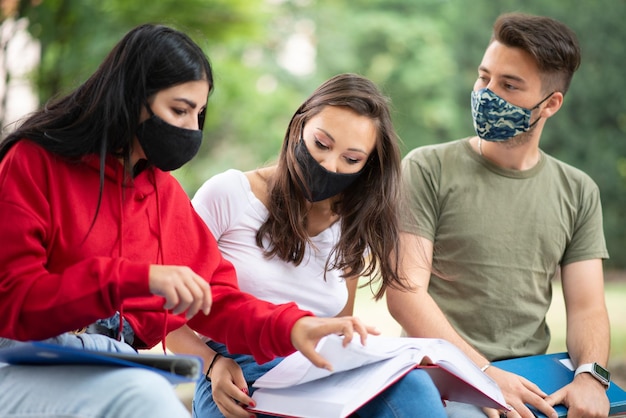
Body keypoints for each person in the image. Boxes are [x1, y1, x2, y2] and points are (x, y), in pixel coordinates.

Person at [0, 24, 375, 418]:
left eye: (199, 113)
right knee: (143, 394)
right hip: (19, 358)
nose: (192, 129)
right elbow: (13, 302)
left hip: (104, 359)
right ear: (132, 97)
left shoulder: (163, 195)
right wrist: (132, 278)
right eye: (179, 110)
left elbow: (217, 300)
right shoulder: (32, 163)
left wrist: (293, 328)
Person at [166, 73, 448, 418]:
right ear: (299, 126)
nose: (330, 165)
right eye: (322, 144)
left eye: (351, 159)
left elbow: (340, 332)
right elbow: (168, 315)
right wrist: (212, 365)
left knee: (414, 388)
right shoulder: (228, 194)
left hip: (319, 372)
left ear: (367, 165)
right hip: (237, 370)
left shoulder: (351, 226)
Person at [386, 12, 610, 418]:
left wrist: (591, 377)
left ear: (551, 104)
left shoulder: (578, 191)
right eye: (484, 77)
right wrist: (483, 373)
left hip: (528, 380)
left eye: (509, 85)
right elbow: (405, 294)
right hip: (441, 380)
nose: (487, 93)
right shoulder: (427, 168)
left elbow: (588, 307)